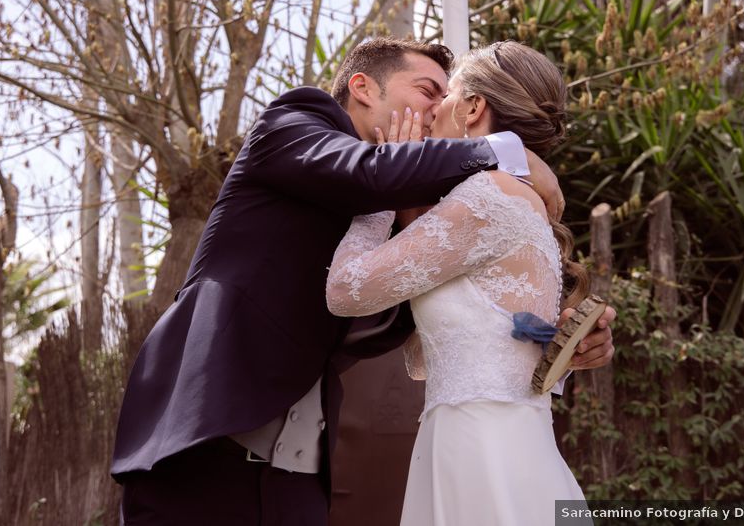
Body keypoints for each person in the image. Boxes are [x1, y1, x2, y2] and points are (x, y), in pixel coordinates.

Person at [112, 37, 615, 526]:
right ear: (364, 88)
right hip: (205, 443)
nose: (436, 108)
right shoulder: (295, 123)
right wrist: (507, 150)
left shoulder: (454, 204)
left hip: (298, 475)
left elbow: (409, 321)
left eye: (446, 95)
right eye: (426, 91)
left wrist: (556, 341)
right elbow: (366, 175)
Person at [326, 41, 594, 526]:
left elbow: (346, 291)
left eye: (447, 96)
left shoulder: (489, 196)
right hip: (501, 439)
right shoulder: (515, 199)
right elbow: (466, 343)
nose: (433, 112)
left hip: (479, 447)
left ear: (473, 108)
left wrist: (384, 186)